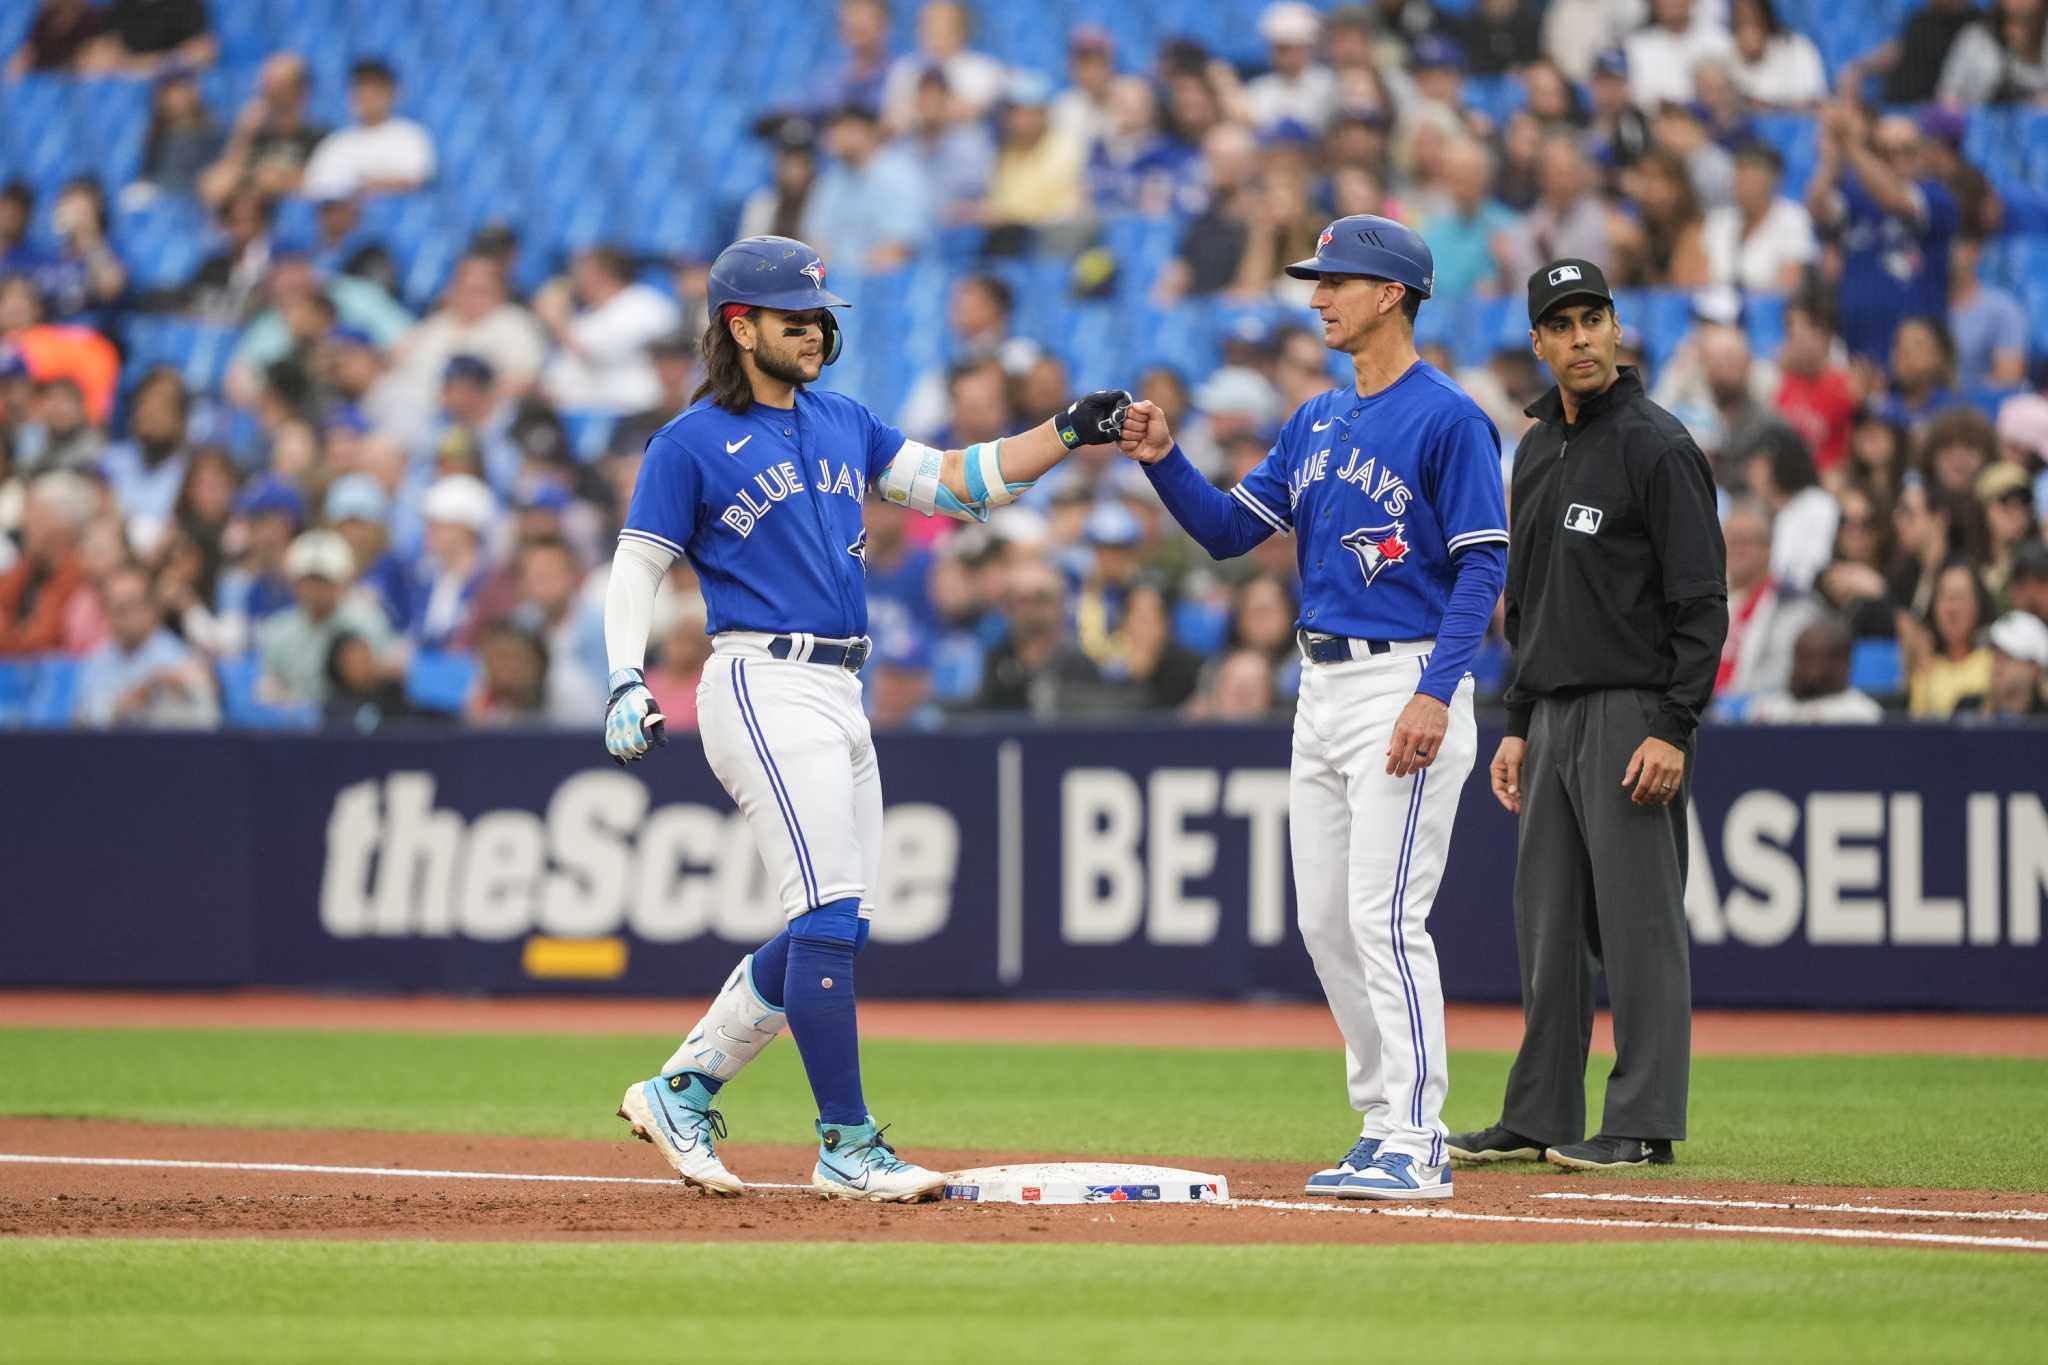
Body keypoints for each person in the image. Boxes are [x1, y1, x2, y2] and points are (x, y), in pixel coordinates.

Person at [600, 234, 1127, 1200]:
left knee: (838, 927)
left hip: (842, 687)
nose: (814, 328)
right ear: (739, 324)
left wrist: (1067, 431)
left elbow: (965, 483)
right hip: (761, 676)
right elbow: (638, 562)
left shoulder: (843, 419)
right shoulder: (689, 441)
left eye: (820, 314)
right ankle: (845, 1142)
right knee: (827, 916)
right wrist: (625, 677)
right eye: (794, 316)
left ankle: (683, 1088)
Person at [1117, 215, 1509, 1201]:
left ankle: (1418, 1137)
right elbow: (1223, 533)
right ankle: (1380, 1119)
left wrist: (1435, 688)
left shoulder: (1447, 416)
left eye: (1335, 280)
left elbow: (1482, 564)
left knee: (1382, 916)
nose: (1317, 295)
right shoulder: (1315, 419)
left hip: (1402, 677)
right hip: (1320, 686)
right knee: (1325, 922)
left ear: (1391, 294)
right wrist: (1163, 458)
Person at [1452, 258, 1727, 1172]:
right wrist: (1518, 721)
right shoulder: (1534, 448)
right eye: (1560, 325)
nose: (1578, 339)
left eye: (1591, 320)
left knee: (1641, 924)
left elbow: (1702, 600)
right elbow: (1525, 599)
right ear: (1537, 342)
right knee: (1548, 924)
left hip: (1631, 710)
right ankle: (1539, 1112)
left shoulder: (1657, 443)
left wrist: (1674, 723)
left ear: (1616, 328)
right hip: (1555, 714)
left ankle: (1643, 1121)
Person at [1807, 98, 1959, 364]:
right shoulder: (1856, 197)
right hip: (1859, 354)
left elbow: (1896, 199)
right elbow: (1817, 206)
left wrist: (1851, 146)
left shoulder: (1937, 198)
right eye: (1885, 152)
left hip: (1918, 356)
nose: (1897, 159)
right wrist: (1831, 159)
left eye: (1907, 150)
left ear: (1923, 153)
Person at [72, 563, 219, 728]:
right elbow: (81, 720)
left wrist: (164, 689)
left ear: (151, 608)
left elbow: (207, 718)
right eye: (116, 608)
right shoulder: (96, 662)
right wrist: (119, 707)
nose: (123, 617)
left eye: (131, 606)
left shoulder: (178, 658)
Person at [258, 528, 394, 705]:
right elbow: (267, 690)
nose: (315, 590)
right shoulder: (278, 629)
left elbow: (381, 683)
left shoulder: (369, 623)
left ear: (343, 581)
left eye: (323, 580)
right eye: (308, 580)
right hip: (294, 725)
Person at [300, 58, 436, 201]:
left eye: (374, 89)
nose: (366, 96)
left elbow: (416, 180)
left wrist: (358, 185)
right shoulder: (337, 142)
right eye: (359, 88)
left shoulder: (410, 135)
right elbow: (316, 186)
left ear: (392, 92)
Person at [1703, 141, 1816, 294]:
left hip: (1769, 311)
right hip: (1712, 310)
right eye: (1738, 172)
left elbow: (1789, 285)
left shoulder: (1793, 218)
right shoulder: (1717, 220)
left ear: (1773, 180)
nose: (1740, 180)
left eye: (1750, 173)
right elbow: (1698, 277)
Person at [1745, 614, 1886, 722]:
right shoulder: (1765, 710)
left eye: (1816, 660)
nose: (1810, 672)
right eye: (1802, 658)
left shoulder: (1862, 715)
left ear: (1844, 663)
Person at [1904, 559, 1994, 718]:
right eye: (1945, 597)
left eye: (1959, 597)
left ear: (1978, 604)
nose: (1952, 609)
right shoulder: (1925, 666)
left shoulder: (1995, 662)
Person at [1955, 610, 2048, 718]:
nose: (1997, 662)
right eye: (1994, 651)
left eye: (2009, 656)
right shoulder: (1966, 708)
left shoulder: (2044, 720)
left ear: (2035, 670)